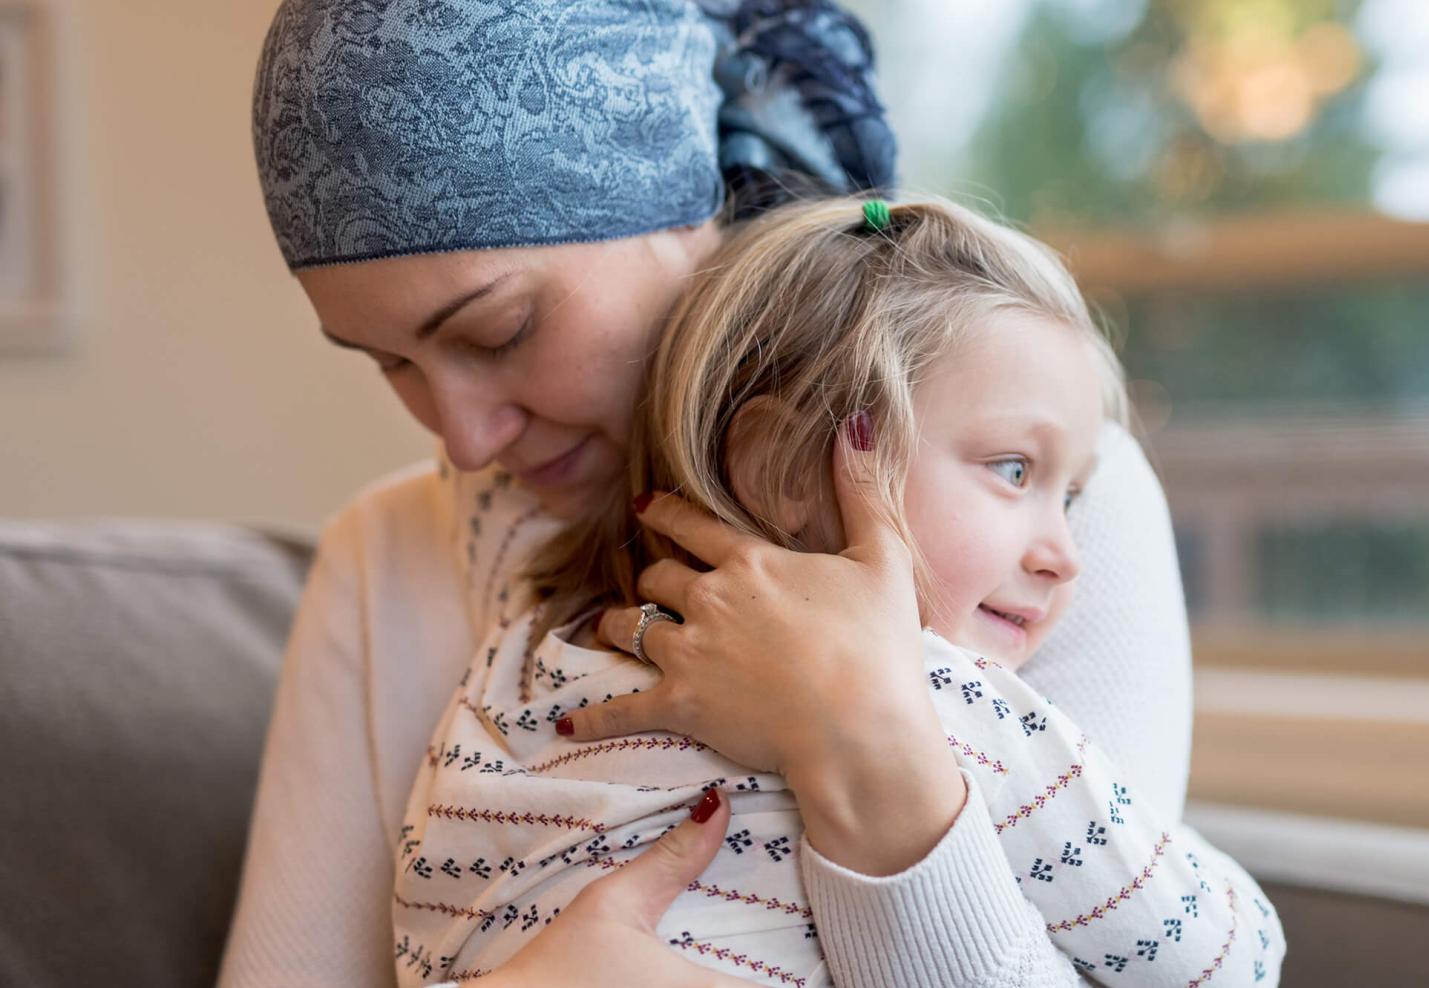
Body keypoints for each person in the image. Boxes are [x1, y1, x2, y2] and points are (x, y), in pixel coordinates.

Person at [220, 1, 1218, 986]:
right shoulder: (388, 552)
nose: (464, 438)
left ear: (688, 207)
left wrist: (869, 744)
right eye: (387, 362)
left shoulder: (1027, 501)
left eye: (497, 332)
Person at [390, 197, 1286, 985]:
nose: (1066, 554)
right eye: (1013, 470)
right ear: (781, 466)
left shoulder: (523, 662)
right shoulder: (948, 699)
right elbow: (1224, 960)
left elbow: (425, 941)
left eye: (1075, 494)